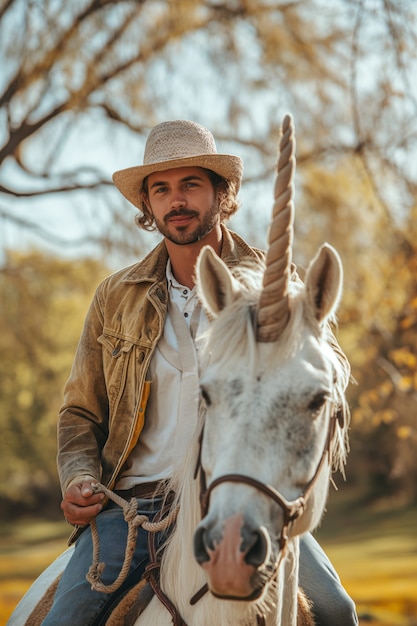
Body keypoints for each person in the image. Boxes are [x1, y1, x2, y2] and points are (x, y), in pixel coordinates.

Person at [42, 120, 358, 626]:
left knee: (337, 612)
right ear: (148, 204)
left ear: (220, 193)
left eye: (191, 184)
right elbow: (80, 412)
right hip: (135, 509)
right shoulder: (114, 297)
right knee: (65, 620)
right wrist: (80, 476)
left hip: (241, 498)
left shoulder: (277, 285)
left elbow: (320, 391)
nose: (177, 201)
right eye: (161, 189)